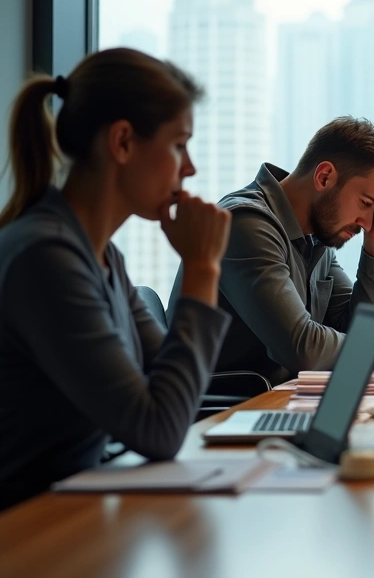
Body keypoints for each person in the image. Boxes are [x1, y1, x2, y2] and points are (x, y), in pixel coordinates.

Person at [0, 48, 232, 511]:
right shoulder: (46, 257)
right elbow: (160, 429)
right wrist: (202, 268)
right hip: (27, 534)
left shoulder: (103, 256)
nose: (190, 169)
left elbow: (171, 387)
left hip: (73, 514)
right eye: (178, 145)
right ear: (123, 142)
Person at [169, 117, 374, 384]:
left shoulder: (316, 237)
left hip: (276, 401)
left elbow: (357, 329)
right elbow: (303, 349)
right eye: (365, 203)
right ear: (324, 176)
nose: (367, 223)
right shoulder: (245, 223)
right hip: (226, 412)